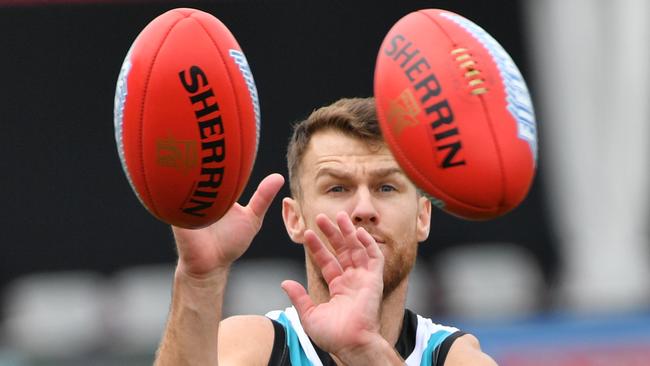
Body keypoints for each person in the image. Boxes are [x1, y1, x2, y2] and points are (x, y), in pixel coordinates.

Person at [154, 97, 497, 365]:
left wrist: (365, 351)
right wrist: (199, 279)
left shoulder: (455, 357)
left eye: (386, 188)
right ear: (294, 218)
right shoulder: (256, 347)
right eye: (337, 188)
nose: (364, 209)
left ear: (423, 216)